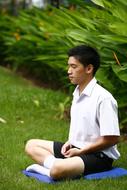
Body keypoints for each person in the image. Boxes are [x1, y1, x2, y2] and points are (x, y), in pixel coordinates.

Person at [25, 44, 120, 180]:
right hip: (76, 148)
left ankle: (51, 169)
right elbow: (83, 127)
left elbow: (112, 139)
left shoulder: (104, 98)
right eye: (69, 66)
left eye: (74, 67)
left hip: (98, 156)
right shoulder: (77, 93)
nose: (69, 71)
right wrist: (70, 141)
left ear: (89, 68)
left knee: (58, 170)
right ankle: (59, 165)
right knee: (31, 145)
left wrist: (82, 151)